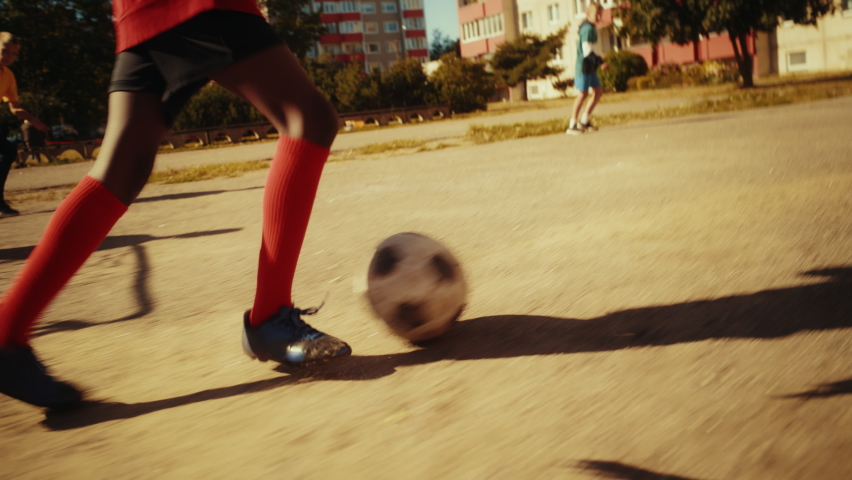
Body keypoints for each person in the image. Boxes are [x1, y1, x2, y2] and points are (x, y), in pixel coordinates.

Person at [0, 1, 351, 409]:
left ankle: (7, 335)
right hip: (197, 5)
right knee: (307, 119)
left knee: (123, 165)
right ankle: (270, 316)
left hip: (141, 10)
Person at [0, 32, 50, 217]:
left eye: (13, 54)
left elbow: (15, 108)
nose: (9, 57)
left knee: (8, 151)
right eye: (5, 50)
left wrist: (35, 121)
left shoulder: (8, 76)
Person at [566, 2, 609, 135]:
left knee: (598, 91)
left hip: (590, 67)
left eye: (600, 15)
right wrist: (600, 61)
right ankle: (572, 125)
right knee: (583, 94)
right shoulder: (587, 29)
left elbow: (590, 51)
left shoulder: (591, 27)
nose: (598, 18)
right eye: (596, 15)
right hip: (583, 67)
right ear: (587, 14)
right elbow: (586, 52)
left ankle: (584, 122)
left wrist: (597, 60)